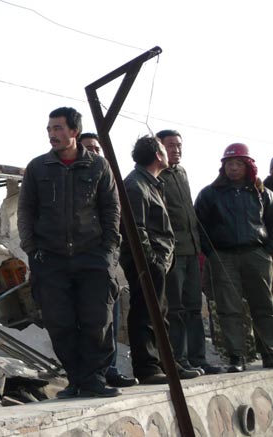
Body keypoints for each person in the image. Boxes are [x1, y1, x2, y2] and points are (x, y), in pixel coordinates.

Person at [18, 108, 122, 398]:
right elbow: (26, 210)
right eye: (50, 128)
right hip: (50, 259)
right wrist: (32, 248)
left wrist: (108, 251)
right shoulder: (38, 168)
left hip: (92, 256)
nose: (53, 134)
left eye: (59, 128)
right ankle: (75, 380)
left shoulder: (98, 167)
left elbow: (111, 209)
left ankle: (94, 380)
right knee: (59, 323)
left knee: (97, 321)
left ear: (74, 132)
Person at [120, 135, 201, 385]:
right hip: (146, 262)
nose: (169, 153)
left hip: (159, 261)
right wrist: (152, 260)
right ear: (158, 155)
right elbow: (136, 229)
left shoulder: (152, 183)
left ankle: (167, 362)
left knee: (160, 313)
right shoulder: (136, 185)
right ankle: (147, 367)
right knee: (145, 312)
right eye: (164, 150)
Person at [194, 143, 273, 373]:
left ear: (248, 166)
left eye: (238, 163)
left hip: (256, 254)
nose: (234, 168)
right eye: (229, 164)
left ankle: (270, 352)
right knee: (229, 309)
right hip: (224, 256)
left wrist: (268, 249)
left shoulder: (263, 193)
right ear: (223, 167)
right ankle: (236, 356)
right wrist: (211, 252)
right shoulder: (210, 194)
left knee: (264, 305)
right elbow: (199, 225)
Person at [156, 129, 225, 375]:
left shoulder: (181, 173)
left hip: (192, 249)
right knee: (176, 309)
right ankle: (179, 359)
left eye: (178, 145)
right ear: (160, 148)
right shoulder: (157, 175)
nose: (176, 150)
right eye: (171, 145)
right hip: (173, 253)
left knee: (195, 307)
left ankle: (198, 358)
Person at [79, 132, 139, 388]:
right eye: (88, 148)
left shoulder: (110, 179)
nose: (93, 152)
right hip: (79, 259)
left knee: (109, 318)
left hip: (106, 258)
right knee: (85, 321)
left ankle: (109, 369)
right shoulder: (68, 178)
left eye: (96, 148)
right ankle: (87, 374)